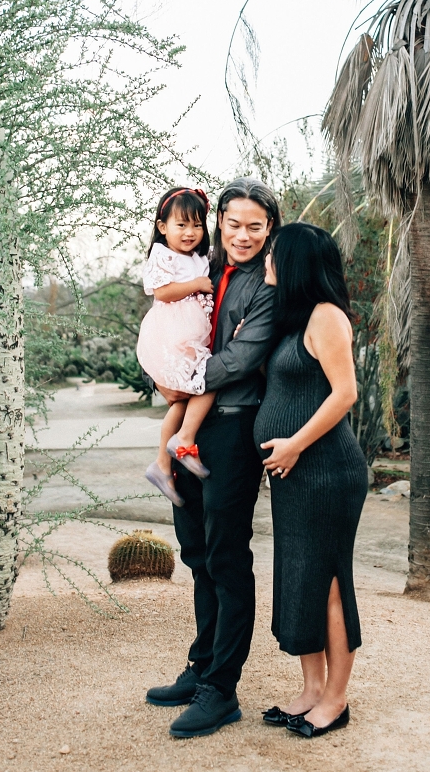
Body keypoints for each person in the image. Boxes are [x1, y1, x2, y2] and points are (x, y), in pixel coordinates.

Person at [145, 178, 282, 739]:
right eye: (234, 224)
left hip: (231, 428)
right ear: (219, 222)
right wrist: (163, 370)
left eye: (255, 225)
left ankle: (221, 689)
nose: (243, 235)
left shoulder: (266, 285)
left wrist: (185, 376)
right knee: (197, 552)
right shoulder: (197, 269)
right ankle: (201, 663)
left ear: (269, 227)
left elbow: (241, 359)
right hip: (189, 425)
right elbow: (166, 329)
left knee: (226, 555)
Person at [254, 222, 366, 738]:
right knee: (300, 577)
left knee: (328, 584)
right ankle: (310, 691)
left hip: (326, 472)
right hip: (295, 476)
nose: (266, 258)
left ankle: (336, 701)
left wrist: (295, 443)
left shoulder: (327, 318)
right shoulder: (295, 319)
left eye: (273, 252)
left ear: (296, 261)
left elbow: (345, 394)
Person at [138, 187, 218, 503]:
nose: (190, 233)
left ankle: (161, 462)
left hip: (191, 336)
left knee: (181, 402)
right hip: (174, 335)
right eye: (181, 225)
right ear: (162, 227)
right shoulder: (163, 255)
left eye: (197, 225)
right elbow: (161, 292)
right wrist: (197, 285)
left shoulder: (201, 257)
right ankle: (183, 440)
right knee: (207, 381)